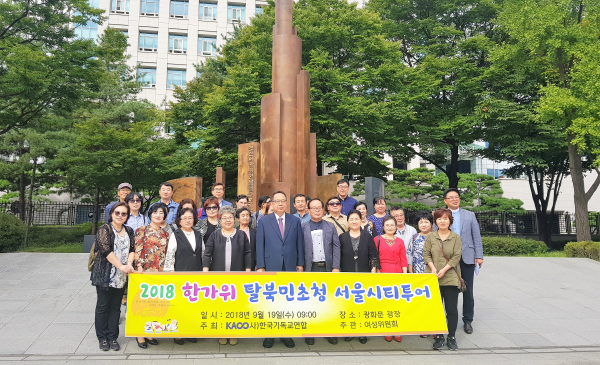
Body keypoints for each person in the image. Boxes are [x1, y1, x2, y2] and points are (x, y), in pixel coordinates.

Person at [255, 191, 305, 349]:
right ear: (272, 204)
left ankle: (286, 334)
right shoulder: (264, 221)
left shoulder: (295, 220)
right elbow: (260, 245)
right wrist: (261, 265)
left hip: (290, 264)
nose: (280, 204)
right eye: (277, 201)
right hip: (270, 265)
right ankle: (269, 335)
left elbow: (300, 243)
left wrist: (300, 264)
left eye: (283, 201)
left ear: (287, 203)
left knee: (287, 301)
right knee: (271, 300)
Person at [203, 206, 252, 346]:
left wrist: (248, 271)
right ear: (220, 220)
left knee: (235, 307)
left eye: (230, 217)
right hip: (219, 277)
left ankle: (233, 332)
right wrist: (205, 272)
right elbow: (207, 253)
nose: (227, 220)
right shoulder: (215, 235)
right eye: (224, 218)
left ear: (234, 219)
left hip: (237, 276)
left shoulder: (241, 235)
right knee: (220, 306)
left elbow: (248, 253)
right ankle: (222, 332)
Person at [91, 202, 135, 352]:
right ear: (111, 214)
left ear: (127, 216)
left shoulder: (129, 230)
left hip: (121, 276)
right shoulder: (105, 229)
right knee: (103, 306)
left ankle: (113, 337)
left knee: (116, 307)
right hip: (105, 274)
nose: (120, 216)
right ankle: (102, 338)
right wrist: (121, 266)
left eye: (124, 214)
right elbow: (105, 251)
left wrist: (128, 264)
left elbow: (132, 249)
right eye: (117, 213)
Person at [442, 188, 483, 335]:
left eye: (456, 197)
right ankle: (445, 319)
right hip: (447, 259)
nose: (454, 199)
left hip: (467, 257)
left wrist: (479, 256)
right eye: (451, 197)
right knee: (447, 289)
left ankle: (467, 320)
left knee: (467, 290)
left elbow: (476, 236)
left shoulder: (469, 215)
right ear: (445, 200)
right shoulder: (441, 215)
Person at [301, 198, 341, 346]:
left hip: (327, 268)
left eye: (319, 208)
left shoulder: (330, 226)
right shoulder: (303, 227)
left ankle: (328, 331)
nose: (317, 210)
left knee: (328, 302)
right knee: (310, 302)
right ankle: (310, 332)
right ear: (308, 210)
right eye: (314, 208)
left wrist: (335, 267)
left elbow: (336, 248)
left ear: (323, 210)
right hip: (310, 268)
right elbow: (300, 248)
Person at [339, 209, 380, 344]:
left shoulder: (367, 236)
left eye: (356, 219)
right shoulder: (343, 237)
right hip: (347, 273)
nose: (354, 221)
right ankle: (349, 330)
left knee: (363, 304)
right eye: (351, 219)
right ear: (348, 221)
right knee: (349, 304)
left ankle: (362, 332)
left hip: (364, 273)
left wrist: (373, 270)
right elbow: (339, 256)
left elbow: (373, 254)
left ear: (361, 220)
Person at [425, 208, 463, 351]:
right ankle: (439, 336)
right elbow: (426, 254)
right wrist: (433, 268)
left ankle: (451, 336)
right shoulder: (431, 236)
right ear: (435, 221)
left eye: (445, 218)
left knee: (451, 309)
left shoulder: (455, 237)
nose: (442, 221)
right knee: (436, 309)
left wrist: (444, 269)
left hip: (451, 277)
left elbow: (456, 256)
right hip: (432, 277)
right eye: (439, 218)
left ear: (450, 221)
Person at [133, 203, 170, 349]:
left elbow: (166, 254)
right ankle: (139, 334)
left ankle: (149, 332)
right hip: (144, 271)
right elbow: (137, 249)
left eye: (161, 212)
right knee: (141, 303)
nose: (158, 215)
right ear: (150, 214)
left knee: (154, 304)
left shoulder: (165, 234)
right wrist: (140, 266)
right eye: (155, 212)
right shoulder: (141, 230)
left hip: (159, 272)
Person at [164, 208, 202, 345]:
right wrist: (170, 273)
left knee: (192, 305)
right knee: (179, 305)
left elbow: (202, 253)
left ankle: (190, 331)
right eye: (184, 218)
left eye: (190, 217)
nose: (188, 220)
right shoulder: (176, 234)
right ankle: (178, 333)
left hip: (195, 274)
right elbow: (170, 254)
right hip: (180, 273)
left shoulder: (198, 234)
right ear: (179, 220)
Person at [375, 215, 407, 343]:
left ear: (396, 227)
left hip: (397, 272)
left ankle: (397, 329)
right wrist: (376, 272)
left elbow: (404, 258)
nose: (389, 227)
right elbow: (374, 258)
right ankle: (387, 329)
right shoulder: (376, 239)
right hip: (382, 271)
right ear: (383, 227)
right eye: (387, 225)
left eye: (392, 225)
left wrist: (404, 275)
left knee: (397, 302)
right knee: (385, 302)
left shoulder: (400, 241)